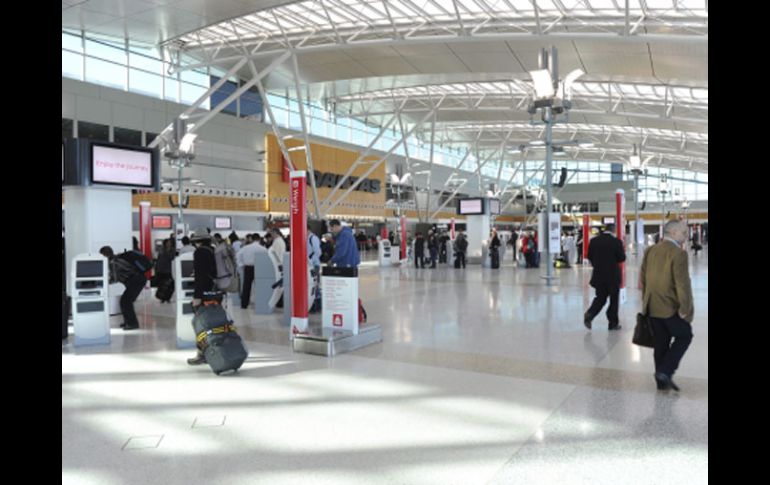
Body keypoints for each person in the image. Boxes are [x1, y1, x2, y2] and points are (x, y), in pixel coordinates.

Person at [640, 220, 694, 392]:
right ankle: (665, 371)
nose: (686, 236)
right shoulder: (678, 254)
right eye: (683, 232)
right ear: (672, 232)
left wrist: (645, 304)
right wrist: (685, 309)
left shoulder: (650, 250)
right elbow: (682, 285)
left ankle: (662, 381)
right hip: (670, 306)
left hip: (652, 305)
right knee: (685, 335)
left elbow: (644, 280)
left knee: (661, 343)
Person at [584, 224, 626, 330]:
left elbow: (589, 256)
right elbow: (621, 258)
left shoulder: (594, 241)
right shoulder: (616, 242)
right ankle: (613, 323)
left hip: (598, 275)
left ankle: (590, 314)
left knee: (600, 298)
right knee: (613, 299)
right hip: (612, 276)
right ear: (614, 230)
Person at [186, 231, 217, 365]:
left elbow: (200, 276)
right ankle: (214, 350)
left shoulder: (200, 252)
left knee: (200, 324)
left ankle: (202, 354)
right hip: (215, 290)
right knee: (213, 322)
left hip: (204, 292)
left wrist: (197, 296)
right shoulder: (212, 250)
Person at [100, 246, 147, 331]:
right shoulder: (117, 258)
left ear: (105, 254)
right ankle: (128, 322)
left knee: (125, 301)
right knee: (126, 301)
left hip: (136, 280)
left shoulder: (112, 262)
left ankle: (132, 324)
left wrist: (103, 282)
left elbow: (114, 278)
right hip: (137, 279)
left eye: (101, 255)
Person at [236, 233, 266, 309]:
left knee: (246, 286)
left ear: (252, 239)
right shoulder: (263, 248)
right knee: (260, 286)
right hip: (259, 268)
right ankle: (261, 304)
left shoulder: (246, 247)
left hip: (248, 268)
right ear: (259, 239)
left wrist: (241, 264)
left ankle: (244, 304)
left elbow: (238, 255)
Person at [155, 238, 175, 303]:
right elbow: (158, 259)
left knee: (170, 285)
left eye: (170, 242)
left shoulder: (172, 250)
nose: (169, 243)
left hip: (168, 270)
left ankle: (168, 297)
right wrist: (156, 268)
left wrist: (167, 251)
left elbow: (171, 257)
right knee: (161, 285)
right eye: (168, 242)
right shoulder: (161, 249)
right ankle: (162, 298)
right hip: (160, 270)